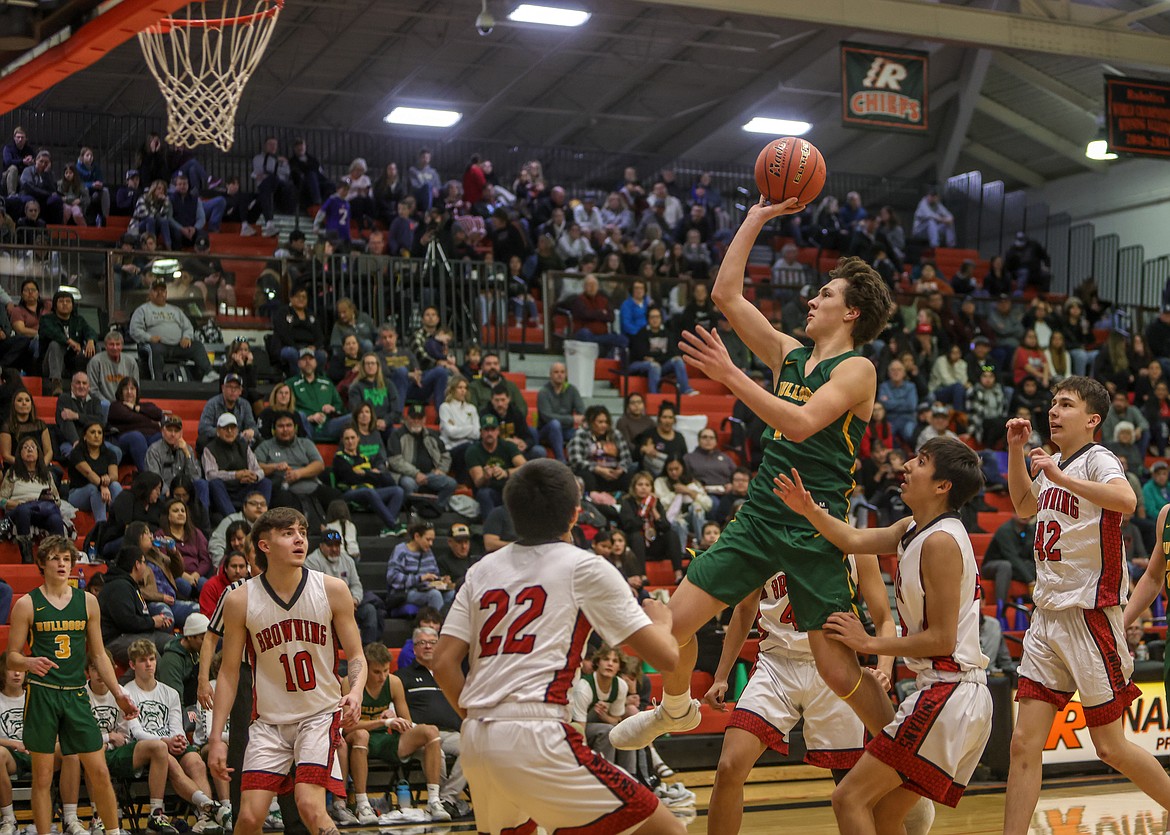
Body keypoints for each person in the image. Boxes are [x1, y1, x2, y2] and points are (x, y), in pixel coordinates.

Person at [608, 196, 898, 757]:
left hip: (816, 527)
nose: (812, 300)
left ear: (852, 313)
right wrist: (757, 217)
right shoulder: (789, 354)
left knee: (840, 673)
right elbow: (725, 295)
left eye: (826, 295)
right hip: (762, 514)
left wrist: (729, 373)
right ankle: (675, 710)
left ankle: (903, 754)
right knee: (668, 630)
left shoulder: (858, 369)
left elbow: (800, 422)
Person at [432, 459, 684, 835]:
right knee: (666, 831)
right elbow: (665, 657)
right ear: (576, 514)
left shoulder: (481, 570)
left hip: (478, 737)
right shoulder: (584, 567)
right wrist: (661, 620)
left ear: (512, 515)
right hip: (537, 732)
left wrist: (475, 719)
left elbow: (442, 663)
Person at [774, 437, 990, 831]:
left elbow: (942, 639)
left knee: (849, 798)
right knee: (885, 815)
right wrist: (807, 508)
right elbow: (854, 540)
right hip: (946, 691)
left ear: (943, 486)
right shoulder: (913, 527)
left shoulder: (941, 542)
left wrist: (867, 642)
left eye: (921, 462)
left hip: (951, 691)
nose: (907, 465)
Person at [1002, 376, 1170, 834]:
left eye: (1066, 405)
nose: (1053, 411)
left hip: (1089, 615)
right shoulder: (1053, 462)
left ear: (1092, 419)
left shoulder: (1100, 460)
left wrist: (1059, 477)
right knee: (1022, 743)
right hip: (1046, 618)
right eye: (1053, 403)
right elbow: (1021, 505)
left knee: (1110, 747)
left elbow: (1127, 500)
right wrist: (1018, 453)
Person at [703, 555, 904, 835]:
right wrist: (721, 676)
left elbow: (883, 618)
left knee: (859, 791)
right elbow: (744, 608)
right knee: (729, 766)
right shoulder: (766, 538)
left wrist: (884, 668)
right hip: (777, 664)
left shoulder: (856, 547)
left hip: (836, 665)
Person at [207, 507, 368, 835]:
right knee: (249, 818)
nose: (299, 540)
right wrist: (216, 737)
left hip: (318, 716)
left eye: (302, 532)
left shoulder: (332, 589)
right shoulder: (240, 600)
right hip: (268, 723)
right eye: (288, 533)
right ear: (264, 546)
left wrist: (355, 690)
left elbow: (356, 656)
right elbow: (228, 674)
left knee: (309, 805)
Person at [4, 536, 138, 835]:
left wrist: (119, 694)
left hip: (77, 696)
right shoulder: (27, 604)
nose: (62, 563)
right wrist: (28, 663)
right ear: (42, 563)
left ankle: (113, 832)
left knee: (100, 770)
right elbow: (11, 658)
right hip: (42, 696)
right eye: (55, 558)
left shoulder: (88, 601)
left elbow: (100, 654)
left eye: (67, 558)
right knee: (41, 777)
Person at [122, 639, 229, 833]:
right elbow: (135, 731)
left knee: (195, 760)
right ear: (132, 664)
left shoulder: (169, 692)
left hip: (168, 743)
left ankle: (206, 817)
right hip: (144, 748)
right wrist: (166, 742)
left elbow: (176, 726)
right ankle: (211, 806)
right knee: (165, 755)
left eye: (152, 659)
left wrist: (178, 739)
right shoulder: (127, 692)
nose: (149, 664)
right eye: (143, 660)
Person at [338, 641, 450, 824]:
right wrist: (382, 721)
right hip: (358, 741)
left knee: (431, 731)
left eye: (385, 671)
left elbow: (407, 721)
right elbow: (347, 727)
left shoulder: (394, 682)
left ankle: (434, 801)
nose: (382, 677)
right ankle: (362, 804)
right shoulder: (349, 683)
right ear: (366, 668)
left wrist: (396, 717)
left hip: (386, 739)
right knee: (361, 735)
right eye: (376, 672)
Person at [394, 627, 469, 817]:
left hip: (452, 733)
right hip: (421, 735)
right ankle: (447, 802)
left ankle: (446, 800)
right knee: (437, 752)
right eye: (422, 643)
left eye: (432, 642)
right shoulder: (403, 676)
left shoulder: (448, 673)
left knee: (473, 747)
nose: (427, 646)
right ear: (414, 649)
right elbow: (393, 704)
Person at [129, 278, 217, 383]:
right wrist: (149, 338)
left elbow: (188, 327)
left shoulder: (175, 310)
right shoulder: (142, 310)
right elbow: (134, 329)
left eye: (162, 290)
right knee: (155, 349)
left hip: (178, 346)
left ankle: (209, 373)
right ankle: (157, 382)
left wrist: (186, 337)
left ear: (166, 293)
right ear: (150, 293)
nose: (160, 293)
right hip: (156, 345)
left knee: (197, 346)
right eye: (156, 290)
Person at [306, 529, 380, 645]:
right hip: (326, 608)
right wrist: (341, 605)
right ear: (321, 546)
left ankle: (368, 651)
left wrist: (355, 600)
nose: (334, 549)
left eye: (337, 545)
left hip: (350, 605)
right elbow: (314, 591)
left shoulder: (348, 560)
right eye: (330, 545)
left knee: (369, 611)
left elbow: (356, 584)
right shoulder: (311, 562)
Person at [331, 426, 406, 538]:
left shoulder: (364, 458)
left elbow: (378, 478)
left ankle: (386, 528)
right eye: (347, 439)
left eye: (352, 438)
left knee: (398, 491)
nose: (350, 441)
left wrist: (365, 473)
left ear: (358, 439)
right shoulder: (339, 459)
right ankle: (393, 525)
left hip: (369, 491)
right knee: (368, 491)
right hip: (349, 493)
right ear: (342, 440)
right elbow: (350, 479)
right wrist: (370, 474)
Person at [0, 436, 64, 562]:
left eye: (33, 447)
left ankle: (58, 556)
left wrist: (46, 501)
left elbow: (57, 500)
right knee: (24, 510)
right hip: (19, 511)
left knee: (55, 518)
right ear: (19, 453)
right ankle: (27, 556)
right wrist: (18, 504)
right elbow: (1, 499)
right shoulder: (12, 473)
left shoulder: (47, 474)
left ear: (38, 453)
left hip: (43, 511)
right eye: (25, 447)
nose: (29, 449)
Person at [387, 402, 457, 511]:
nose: (416, 421)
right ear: (406, 418)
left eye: (420, 418)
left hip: (431, 475)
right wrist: (416, 473)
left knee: (451, 483)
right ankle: (411, 511)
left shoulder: (432, 434)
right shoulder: (397, 435)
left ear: (424, 419)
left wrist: (441, 470)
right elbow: (395, 461)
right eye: (413, 417)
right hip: (407, 475)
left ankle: (435, 509)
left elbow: (446, 456)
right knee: (408, 484)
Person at [202, 414, 271, 519]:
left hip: (244, 488)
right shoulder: (209, 449)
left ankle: (261, 517)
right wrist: (235, 475)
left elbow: (259, 470)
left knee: (265, 482)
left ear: (237, 430)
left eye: (233, 428)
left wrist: (254, 476)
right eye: (225, 428)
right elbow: (210, 475)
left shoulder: (244, 447)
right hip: (225, 491)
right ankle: (233, 520)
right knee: (215, 483)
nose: (229, 431)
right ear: (218, 430)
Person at [465, 413, 526, 518]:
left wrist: (506, 472)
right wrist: (485, 477)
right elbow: (478, 483)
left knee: (525, 488)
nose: (490, 433)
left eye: (493, 430)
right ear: (481, 432)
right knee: (483, 493)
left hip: (509, 488)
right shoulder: (473, 451)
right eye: (486, 430)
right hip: (490, 490)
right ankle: (490, 528)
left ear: (498, 431)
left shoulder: (508, 446)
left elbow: (526, 468)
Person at [386, 521, 455, 612]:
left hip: (425, 589)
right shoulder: (401, 550)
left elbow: (434, 574)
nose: (431, 544)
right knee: (434, 595)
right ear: (417, 536)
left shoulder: (428, 552)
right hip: (406, 592)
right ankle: (439, 623)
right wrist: (420, 578)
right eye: (428, 539)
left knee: (451, 594)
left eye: (432, 540)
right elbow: (392, 577)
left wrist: (441, 580)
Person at [40, 290, 98, 396]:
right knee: (55, 344)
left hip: (73, 362)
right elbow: (53, 333)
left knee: (93, 348)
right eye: (61, 301)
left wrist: (90, 340)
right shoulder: (46, 319)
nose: (65, 304)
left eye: (68, 301)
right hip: (51, 365)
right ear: (55, 305)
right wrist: (69, 341)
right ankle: (56, 384)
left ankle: (90, 383)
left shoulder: (78, 320)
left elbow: (90, 331)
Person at [67, 421, 122, 525]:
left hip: (104, 493)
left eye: (99, 433)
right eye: (92, 432)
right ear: (84, 436)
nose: (97, 436)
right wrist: (102, 485)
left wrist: (108, 480)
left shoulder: (109, 453)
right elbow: (89, 473)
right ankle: (101, 526)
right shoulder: (77, 453)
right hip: (78, 494)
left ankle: (120, 522)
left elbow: (114, 475)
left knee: (115, 485)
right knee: (94, 489)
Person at [288, 349, 348, 442]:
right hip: (305, 425)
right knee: (300, 415)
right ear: (299, 363)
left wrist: (332, 408)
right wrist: (310, 417)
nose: (308, 362)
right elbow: (288, 407)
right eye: (304, 359)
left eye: (311, 359)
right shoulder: (291, 383)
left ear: (315, 362)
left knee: (356, 416)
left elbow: (340, 406)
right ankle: (307, 449)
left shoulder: (327, 382)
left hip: (328, 424)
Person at [158, 613, 209, 710]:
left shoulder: (199, 651)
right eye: (203, 639)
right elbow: (174, 702)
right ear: (189, 637)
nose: (207, 644)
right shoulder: (171, 661)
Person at [198, 374, 258, 448]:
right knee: (202, 440)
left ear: (240, 391)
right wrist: (222, 433)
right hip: (218, 440)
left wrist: (251, 431)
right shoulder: (212, 403)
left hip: (238, 439)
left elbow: (253, 426)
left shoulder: (245, 404)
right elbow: (203, 428)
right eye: (229, 387)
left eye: (236, 388)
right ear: (223, 388)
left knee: (259, 440)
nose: (233, 390)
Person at [87, 331, 140, 404]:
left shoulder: (131, 362)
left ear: (122, 346)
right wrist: (107, 403)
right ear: (105, 346)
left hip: (126, 404)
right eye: (111, 344)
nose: (115, 348)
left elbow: (135, 387)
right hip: (103, 405)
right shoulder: (95, 362)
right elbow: (92, 389)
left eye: (118, 344)